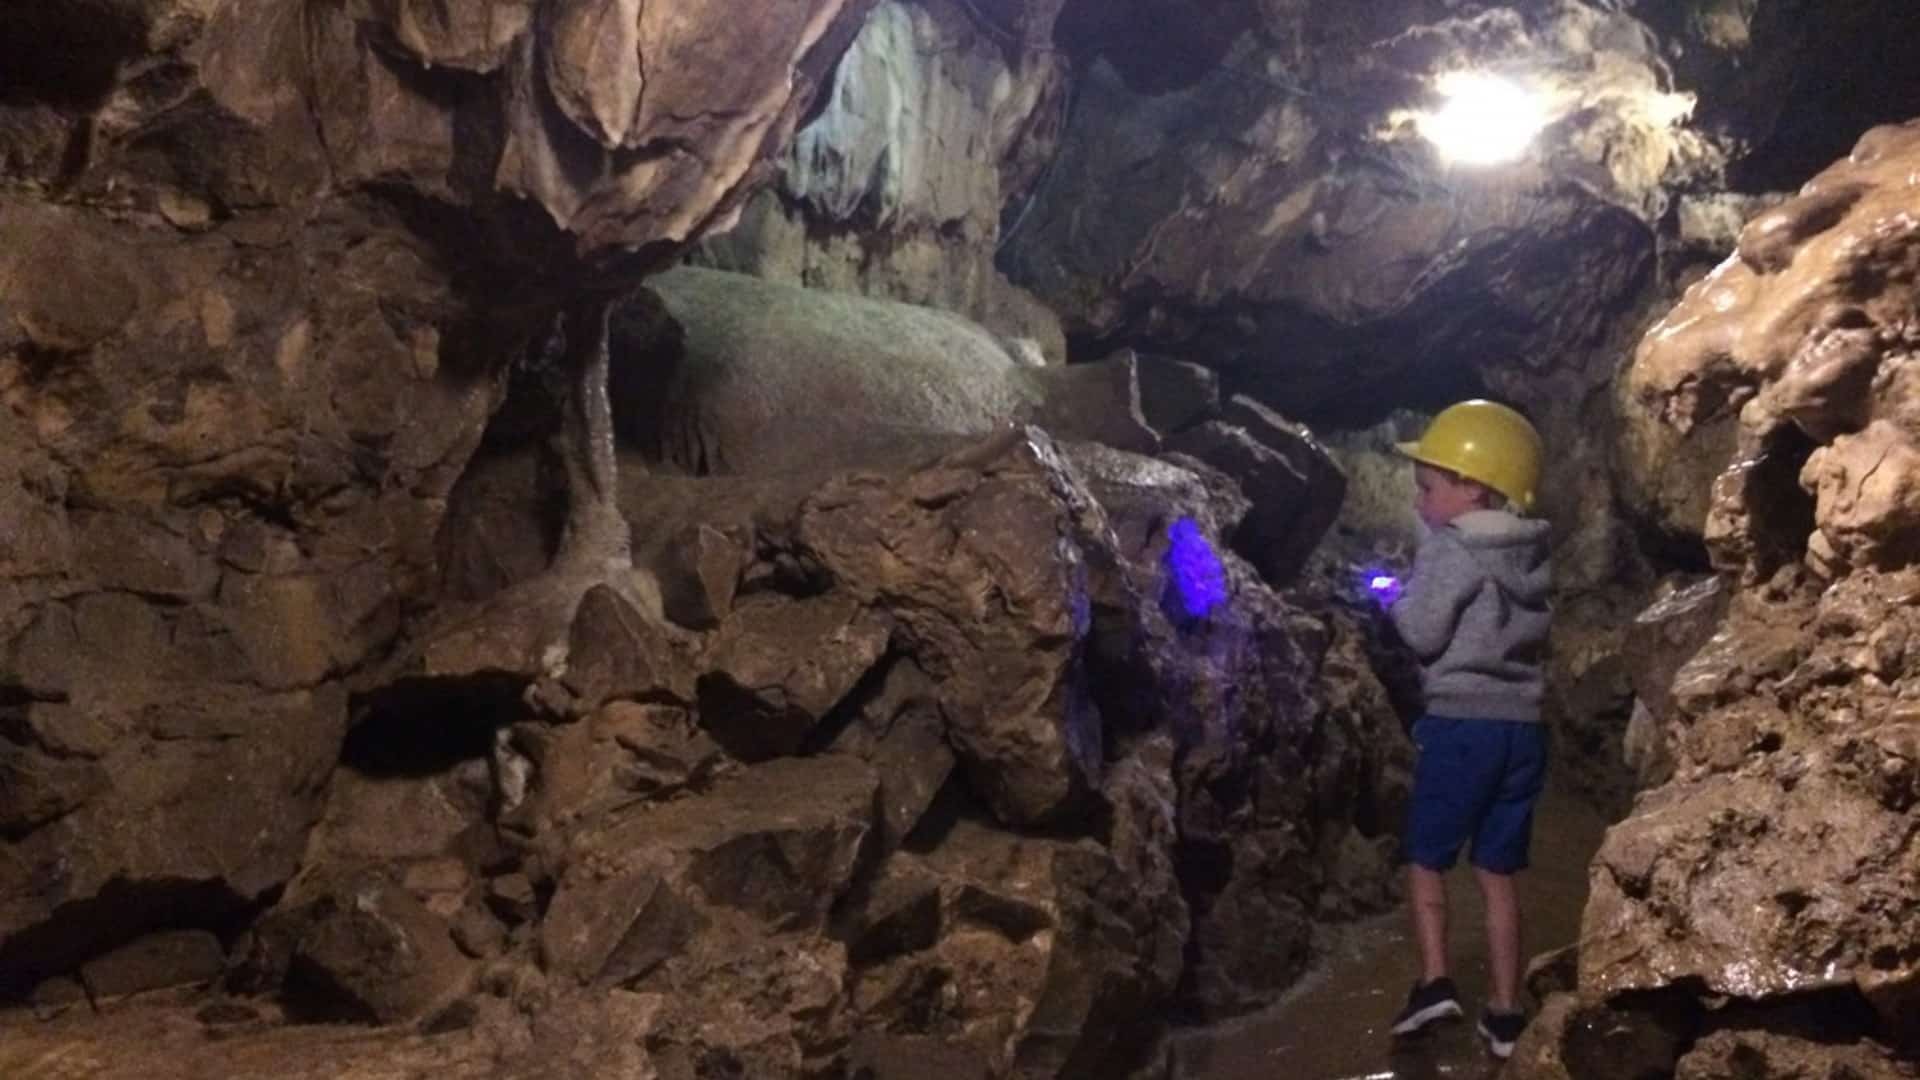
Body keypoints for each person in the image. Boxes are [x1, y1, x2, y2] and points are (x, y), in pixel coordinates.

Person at [1383, 400, 1551, 1061]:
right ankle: (1506, 1014)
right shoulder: (1531, 550)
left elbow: (1423, 632)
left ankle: (1434, 983)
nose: (1421, 502)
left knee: (1426, 858)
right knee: (1497, 870)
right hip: (1523, 731)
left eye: (1429, 487)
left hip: (1461, 725)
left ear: (1472, 486)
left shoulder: (1453, 548)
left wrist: (1395, 596)